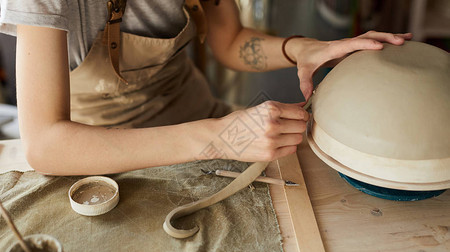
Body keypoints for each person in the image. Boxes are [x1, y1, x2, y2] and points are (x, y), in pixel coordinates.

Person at [0, 0, 411, 175]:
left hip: (197, 111)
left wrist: (303, 48)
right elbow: (45, 144)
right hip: (97, 152)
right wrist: (218, 138)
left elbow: (230, 42)